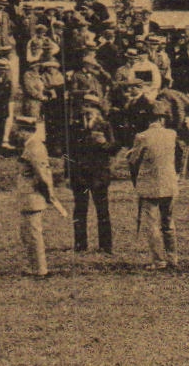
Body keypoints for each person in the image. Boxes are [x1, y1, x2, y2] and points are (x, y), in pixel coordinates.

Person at [127, 101, 179, 270]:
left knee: (152, 224)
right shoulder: (172, 134)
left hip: (150, 185)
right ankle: (173, 257)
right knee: (168, 222)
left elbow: (133, 160)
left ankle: (158, 260)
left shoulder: (142, 137)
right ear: (163, 119)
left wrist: (130, 154)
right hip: (169, 183)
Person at [68, 91, 117, 254]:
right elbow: (68, 153)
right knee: (80, 211)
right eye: (85, 106)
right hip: (79, 175)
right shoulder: (74, 126)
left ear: (98, 109)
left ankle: (105, 246)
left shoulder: (105, 126)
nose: (87, 109)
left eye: (91, 106)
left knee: (102, 211)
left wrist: (104, 144)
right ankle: (80, 245)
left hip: (99, 175)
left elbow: (113, 148)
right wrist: (69, 175)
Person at [14, 113, 62, 278]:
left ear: (26, 131)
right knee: (27, 233)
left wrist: (49, 194)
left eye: (19, 130)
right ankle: (34, 267)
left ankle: (40, 269)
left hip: (33, 196)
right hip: (28, 196)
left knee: (33, 234)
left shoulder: (34, 147)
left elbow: (42, 174)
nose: (17, 134)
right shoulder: (30, 145)